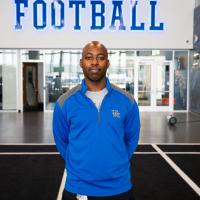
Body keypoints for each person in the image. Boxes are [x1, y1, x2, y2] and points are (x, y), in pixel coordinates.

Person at [53, 41, 140, 200]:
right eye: (89, 57)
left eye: (100, 58)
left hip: (119, 187)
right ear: (81, 63)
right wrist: (81, 165)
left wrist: (115, 162)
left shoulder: (127, 101)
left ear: (107, 63)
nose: (94, 62)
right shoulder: (64, 102)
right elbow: (62, 141)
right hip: (79, 187)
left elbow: (131, 139)